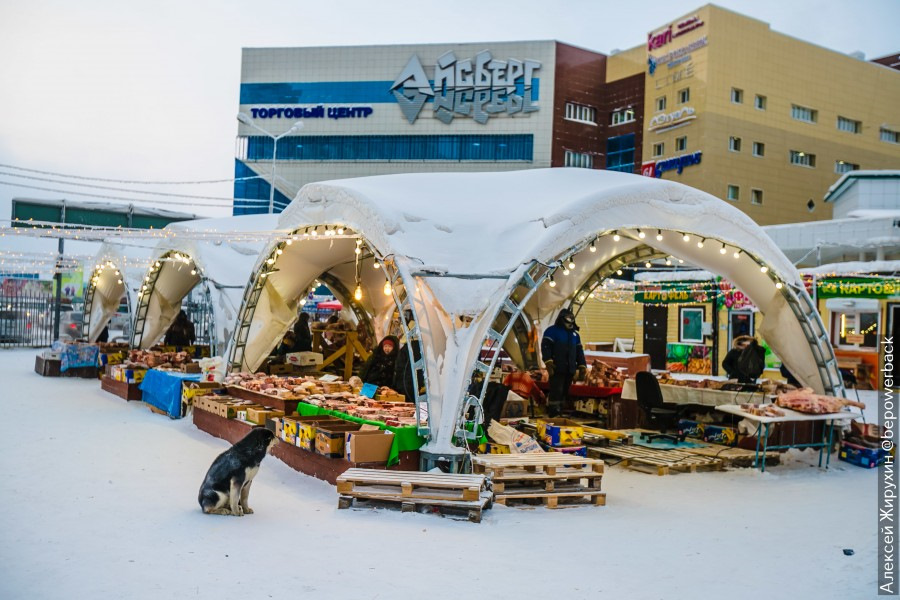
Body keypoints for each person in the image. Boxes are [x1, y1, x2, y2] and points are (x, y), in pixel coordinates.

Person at [540, 308, 586, 417]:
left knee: (565, 391)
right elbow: (545, 346)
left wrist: (582, 365)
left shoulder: (575, 335)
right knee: (556, 391)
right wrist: (548, 361)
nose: (570, 322)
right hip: (557, 368)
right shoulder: (552, 331)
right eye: (568, 319)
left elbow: (579, 351)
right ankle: (553, 412)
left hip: (570, 369)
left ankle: (559, 411)